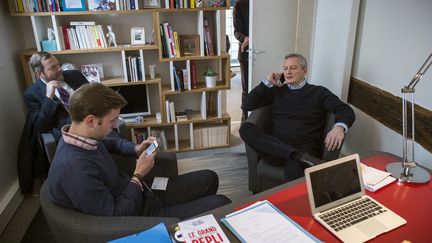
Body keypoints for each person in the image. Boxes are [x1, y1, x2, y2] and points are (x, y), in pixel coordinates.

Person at [47, 83, 231, 219]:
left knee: (209, 177)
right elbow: (116, 216)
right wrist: (138, 175)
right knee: (222, 203)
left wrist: (135, 148)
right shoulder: (74, 168)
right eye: (112, 121)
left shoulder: (80, 136)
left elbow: (110, 144)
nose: (115, 126)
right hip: (144, 215)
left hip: (146, 193)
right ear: (91, 121)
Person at [239, 53, 355, 182]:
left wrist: (339, 127)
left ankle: (296, 158)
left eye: (293, 68)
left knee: (294, 169)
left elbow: (345, 109)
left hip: (304, 147)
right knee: (245, 129)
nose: (288, 72)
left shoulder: (318, 92)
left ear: (304, 71)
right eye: (285, 68)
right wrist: (266, 82)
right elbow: (247, 104)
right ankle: (297, 156)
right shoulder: (276, 91)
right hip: (276, 149)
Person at [23, 51, 88, 142]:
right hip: (70, 134)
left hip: (94, 120)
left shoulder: (75, 75)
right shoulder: (32, 94)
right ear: (40, 73)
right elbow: (42, 127)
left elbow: (94, 96)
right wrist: (49, 97)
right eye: (53, 67)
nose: (59, 69)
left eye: (58, 64)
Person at [233, 0, 249, 119]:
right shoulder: (240, 3)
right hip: (246, 52)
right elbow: (237, 31)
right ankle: (245, 115)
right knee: (246, 88)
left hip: (268, 50)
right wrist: (245, 38)